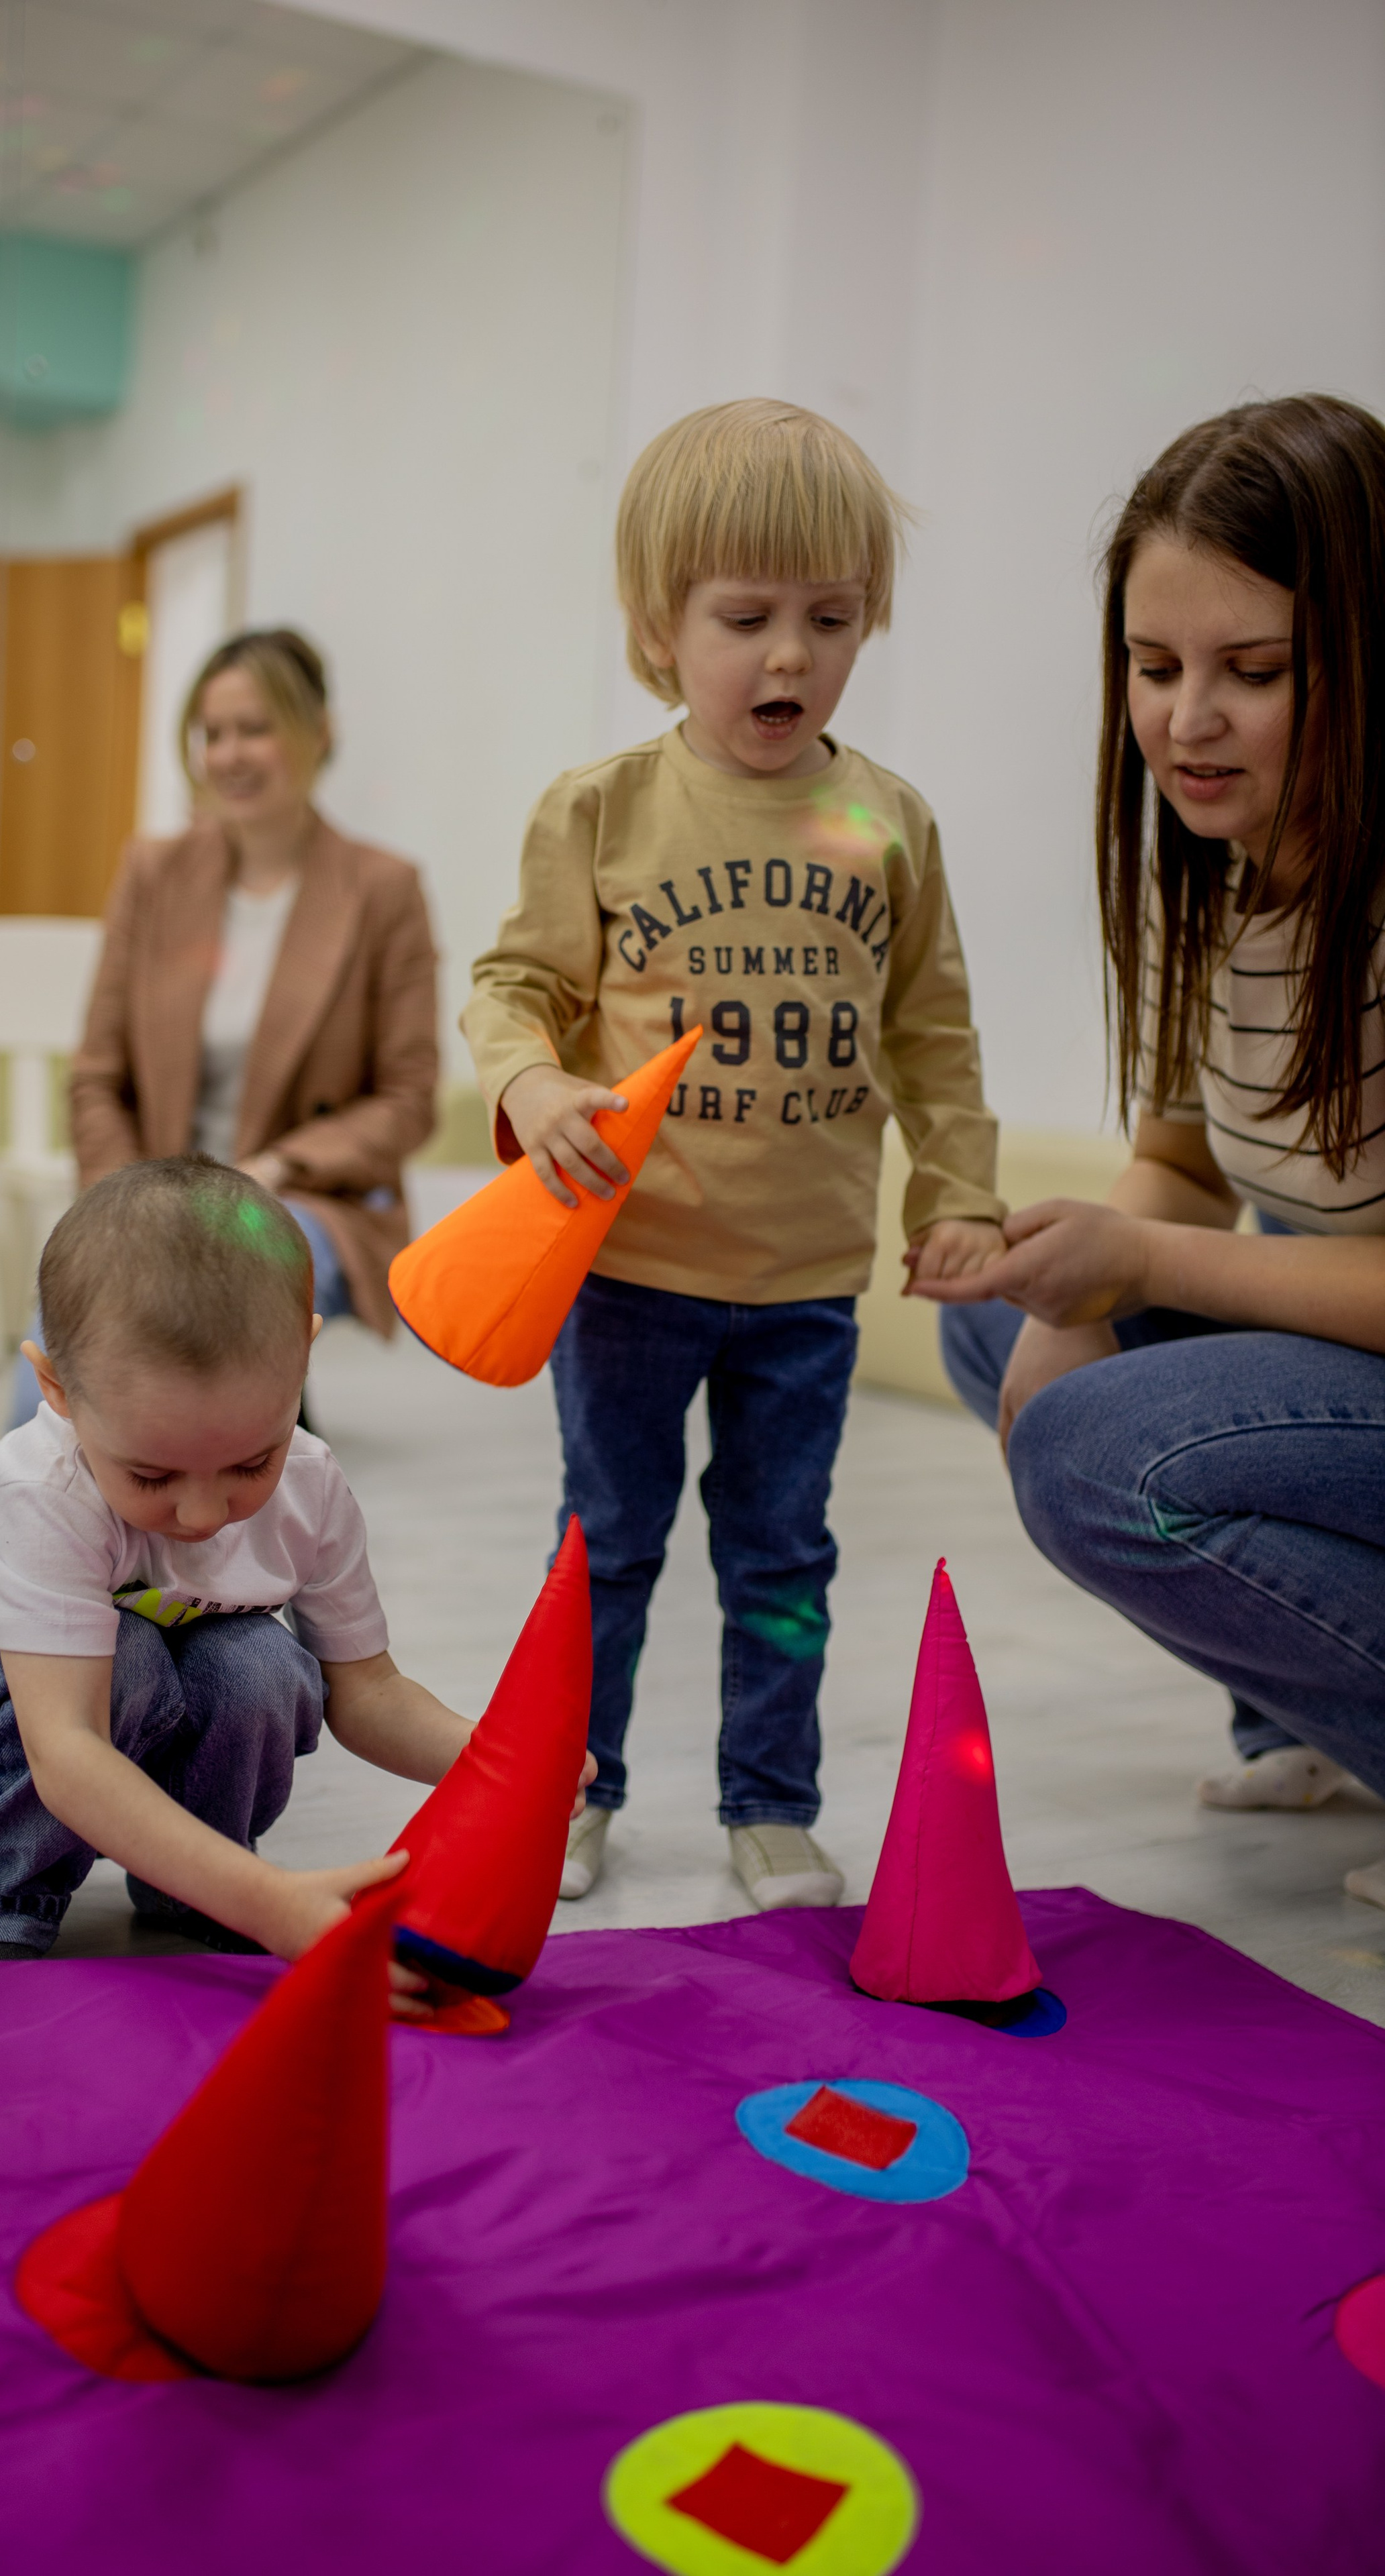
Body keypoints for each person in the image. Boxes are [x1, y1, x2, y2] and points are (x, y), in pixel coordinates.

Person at [464, 399, 1006, 1913]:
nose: (787, 656)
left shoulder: (887, 824)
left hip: (804, 1287)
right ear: (657, 630)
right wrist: (531, 1084)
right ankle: (576, 1787)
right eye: (745, 617)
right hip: (629, 1267)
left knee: (781, 1559)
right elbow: (510, 986)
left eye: (827, 619)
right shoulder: (601, 810)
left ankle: (770, 1802)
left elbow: (933, 1038)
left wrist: (960, 1195)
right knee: (607, 1550)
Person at [916, 394, 1385, 1904]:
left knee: (1095, 1446)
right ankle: (1306, 1718)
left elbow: (1182, 1234)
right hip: (1331, 1347)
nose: (1185, 721)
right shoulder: (1219, 874)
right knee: (1008, 1340)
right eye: (1151, 665)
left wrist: (1135, 1273)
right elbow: (1177, 1165)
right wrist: (1078, 1289)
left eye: (1250, 673)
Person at [0, 1157, 591, 1984]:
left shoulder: (312, 1485)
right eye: (151, 1477)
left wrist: (503, 1762)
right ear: (56, 1387)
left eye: (249, 1463)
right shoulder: (34, 1492)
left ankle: (197, 1887)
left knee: (259, 1662)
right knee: (130, 1659)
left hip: (127, 1719)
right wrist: (274, 1902)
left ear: (303, 1358)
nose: (202, 1515)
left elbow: (367, 1692)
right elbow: (66, 1750)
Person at [69, 626, 437, 1344]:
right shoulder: (152, 873)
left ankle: (243, 1437)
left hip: (300, 1197)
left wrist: (277, 1165)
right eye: (213, 733)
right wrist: (123, 1202)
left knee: (214, 1312)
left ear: (319, 733)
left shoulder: (383, 890)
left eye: (254, 730)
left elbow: (408, 1099)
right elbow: (96, 1079)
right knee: (56, 1398)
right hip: (153, 1195)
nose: (229, 755)